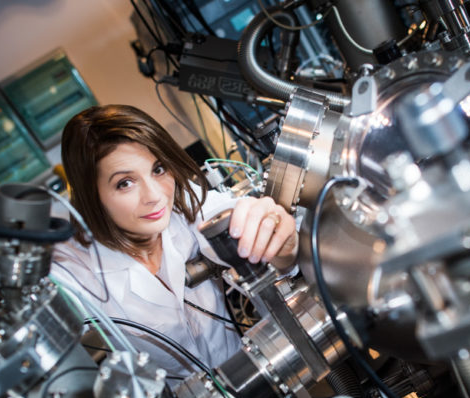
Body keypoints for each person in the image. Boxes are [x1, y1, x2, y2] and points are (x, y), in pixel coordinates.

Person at [48, 104, 298, 375]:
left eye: (158, 169)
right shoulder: (72, 266)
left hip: (250, 371)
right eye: (125, 183)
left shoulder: (181, 201)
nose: (155, 195)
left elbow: (229, 218)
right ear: (91, 196)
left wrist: (280, 244)